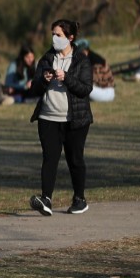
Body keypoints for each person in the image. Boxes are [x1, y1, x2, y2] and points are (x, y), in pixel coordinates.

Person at [28, 19, 93, 217]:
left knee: (75, 159)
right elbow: (34, 89)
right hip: (48, 117)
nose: (54, 38)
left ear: (70, 37)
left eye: (58, 35)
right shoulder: (47, 58)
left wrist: (67, 78)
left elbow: (85, 89)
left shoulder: (81, 60)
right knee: (49, 158)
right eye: (53, 35)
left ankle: (79, 199)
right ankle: (46, 199)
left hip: (75, 120)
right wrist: (43, 80)